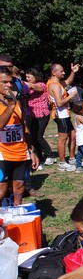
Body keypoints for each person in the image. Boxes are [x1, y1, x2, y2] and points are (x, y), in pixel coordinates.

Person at [0, 67, 39, 205]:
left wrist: (31, 150)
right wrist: (10, 107)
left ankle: (16, 220)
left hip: (20, 152)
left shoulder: (15, 102)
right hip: (2, 154)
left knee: (19, 189)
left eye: (10, 82)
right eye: (4, 82)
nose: (9, 85)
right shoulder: (10, 103)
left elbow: (24, 126)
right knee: (1, 190)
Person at [47, 62, 80, 171]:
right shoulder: (54, 85)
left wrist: (73, 72)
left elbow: (68, 81)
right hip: (60, 115)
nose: (63, 73)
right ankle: (62, 163)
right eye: (61, 71)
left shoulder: (58, 83)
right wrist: (71, 95)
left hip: (65, 114)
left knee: (73, 135)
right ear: (53, 72)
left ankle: (71, 158)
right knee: (63, 138)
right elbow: (59, 103)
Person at [24, 68, 54, 167]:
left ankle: (49, 155)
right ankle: (39, 157)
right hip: (32, 116)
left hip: (42, 114)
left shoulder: (41, 85)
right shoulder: (27, 88)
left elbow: (34, 87)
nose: (27, 78)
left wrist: (18, 81)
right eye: (26, 77)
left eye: (29, 77)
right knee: (32, 137)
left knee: (38, 136)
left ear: (35, 76)